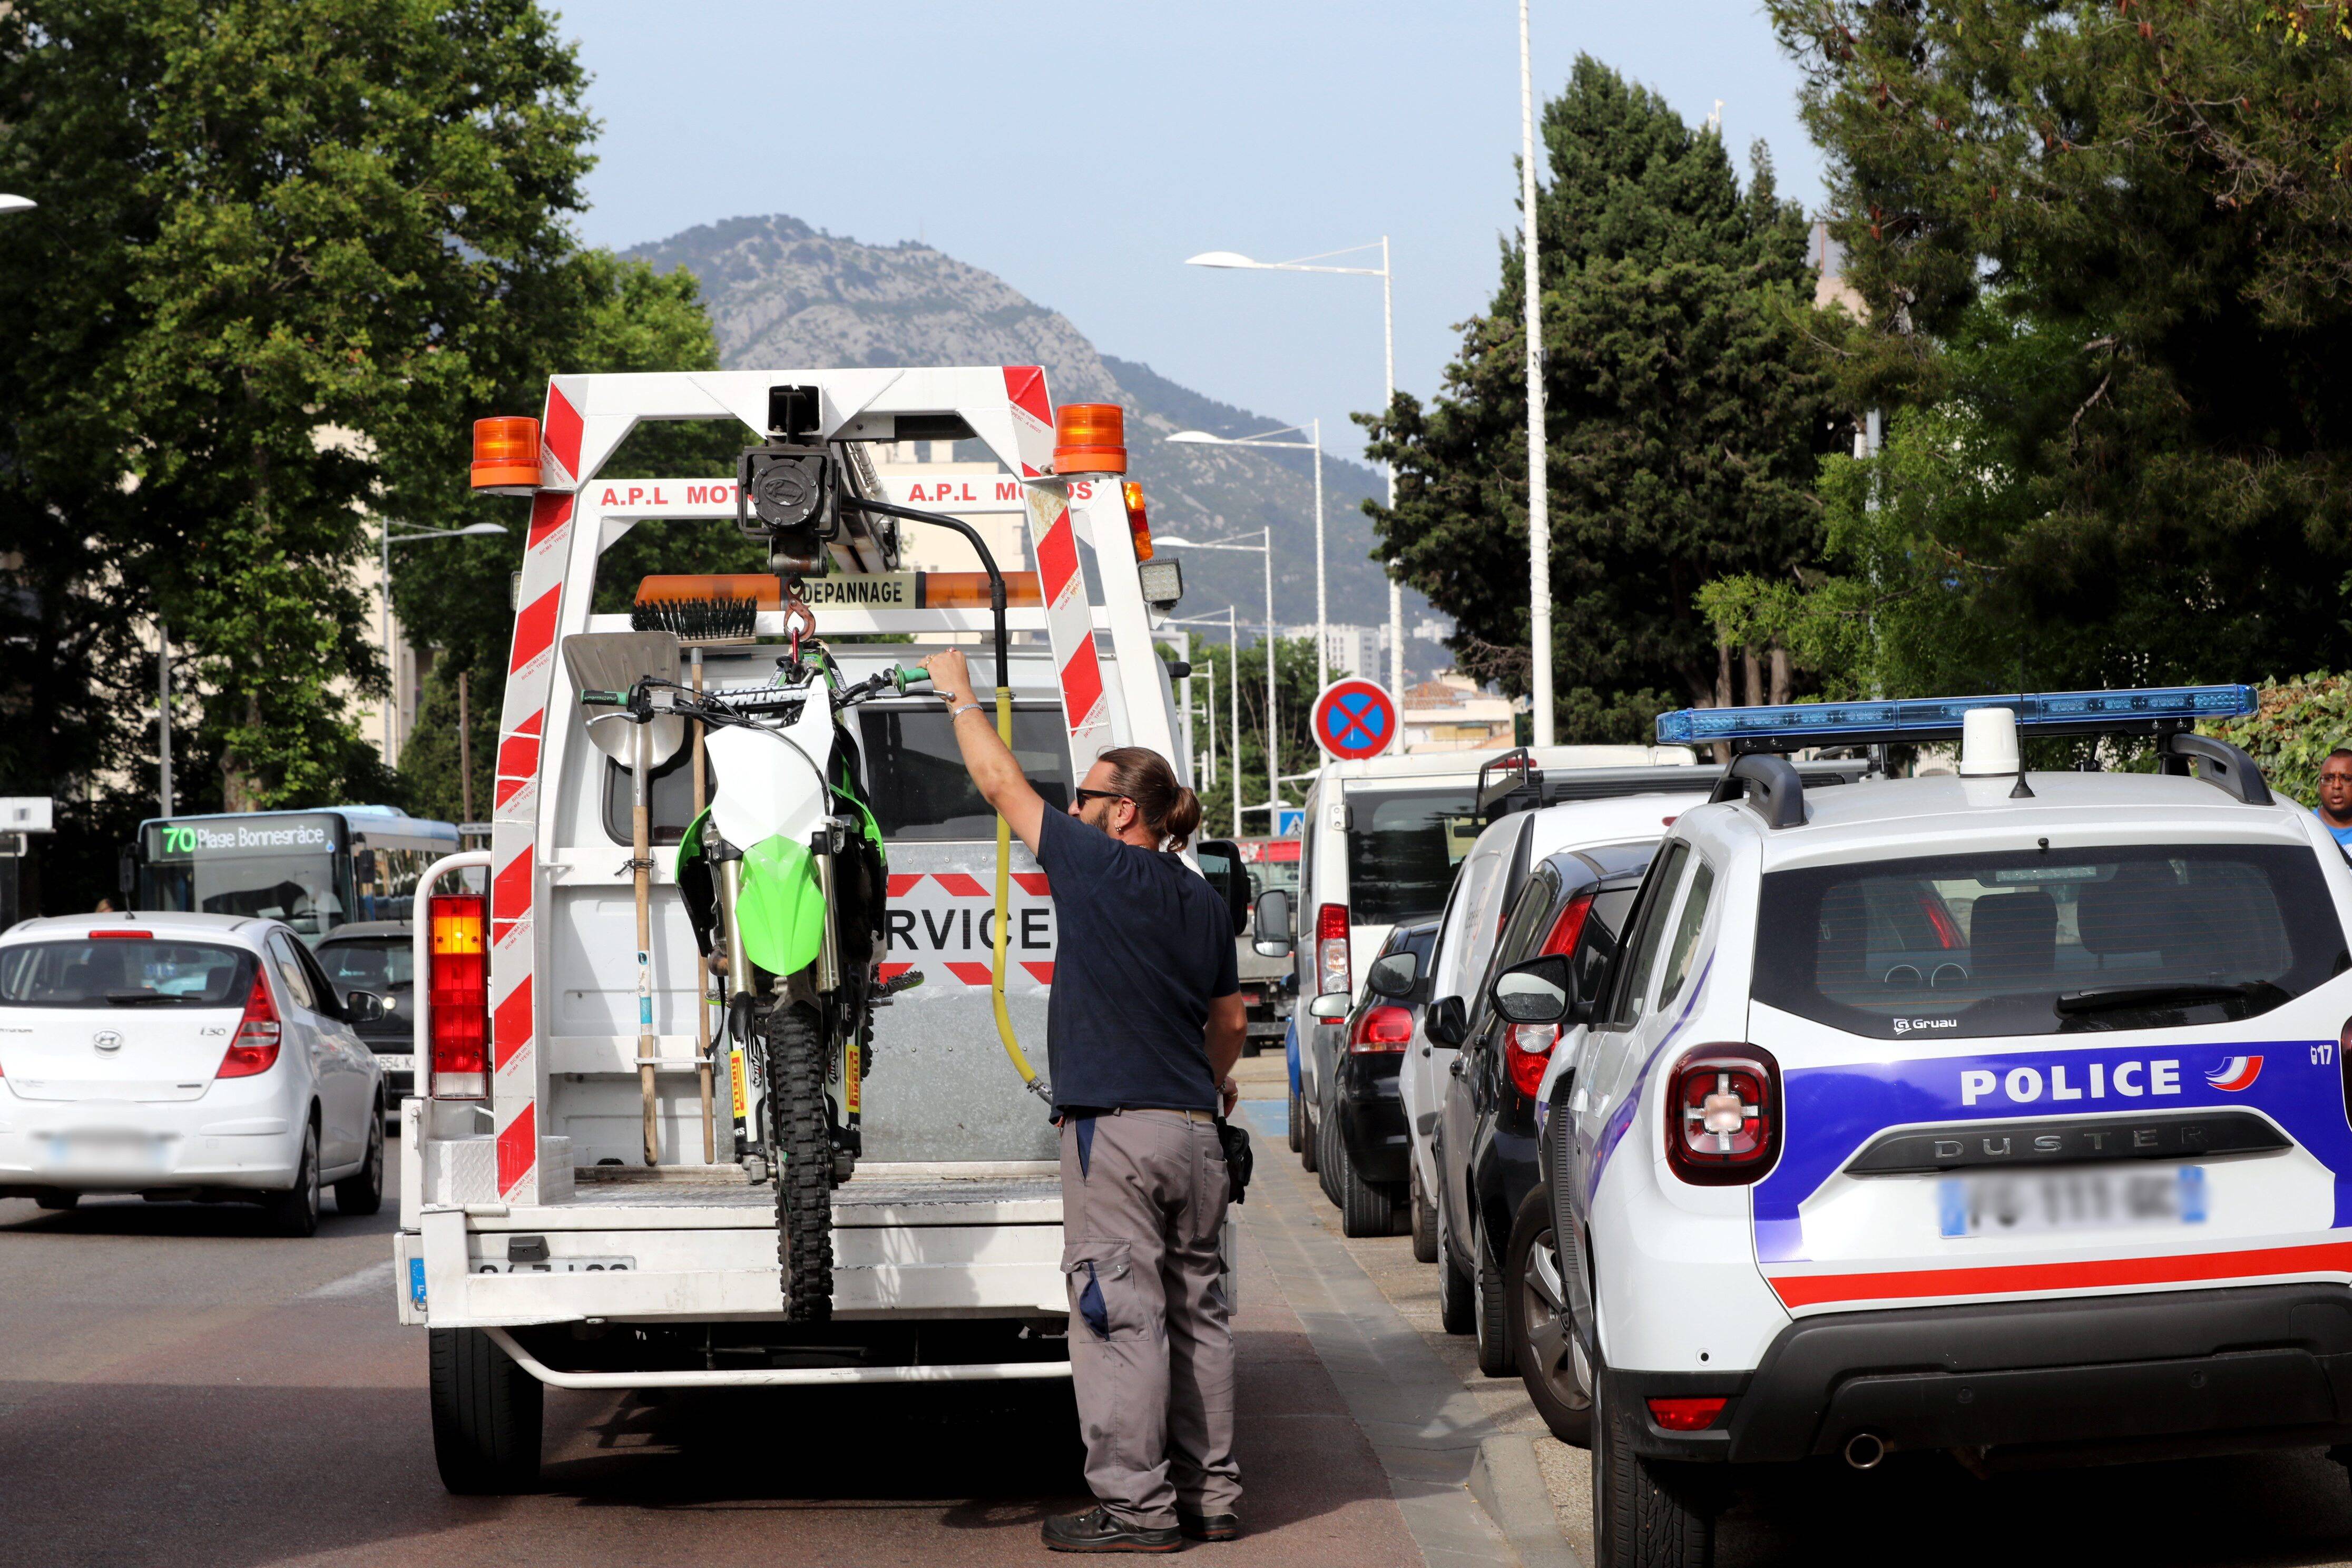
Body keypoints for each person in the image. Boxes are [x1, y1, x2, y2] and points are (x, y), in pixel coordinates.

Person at [919, 648, 1247, 1554]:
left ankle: (1137, 1511)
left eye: (1085, 798)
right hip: (1193, 1131)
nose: (1069, 811)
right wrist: (1213, 1083)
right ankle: (1213, 1498)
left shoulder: (1097, 867)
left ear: (1123, 813)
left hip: (1116, 1135)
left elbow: (995, 779)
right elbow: (1229, 1018)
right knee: (1200, 1318)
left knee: (1118, 1321)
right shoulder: (1201, 900)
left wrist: (955, 688)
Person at [2318, 749, 2352, 851]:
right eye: (2328, 778)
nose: (2337, 786)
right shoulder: (2305, 830)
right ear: (2320, 784)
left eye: (2346, 778)